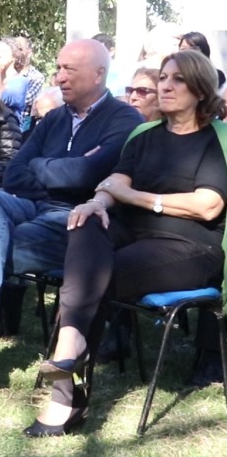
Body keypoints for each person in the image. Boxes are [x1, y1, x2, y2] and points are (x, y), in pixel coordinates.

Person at [0, 39, 143, 399]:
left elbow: (86, 175)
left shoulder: (125, 119)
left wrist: (46, 167)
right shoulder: (54, 118)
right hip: (33, 207)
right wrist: (56, 171)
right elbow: (14, 174)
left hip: (78, 221)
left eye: (70, 69)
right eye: (59, 68)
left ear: (100, 73)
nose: (60, 76)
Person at [25, 50, 227, 437]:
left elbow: (207, 205)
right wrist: (97, 201)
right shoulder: (144, 135)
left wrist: (138, 198)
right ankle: (71, 350)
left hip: (189, 246)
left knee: (94, 276)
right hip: (132, 232)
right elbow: (112, 186)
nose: (166, 85)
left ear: (201, 90)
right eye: (164, 77)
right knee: (85, 224)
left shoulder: (216, 139)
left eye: (178, 79)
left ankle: (66, 388)